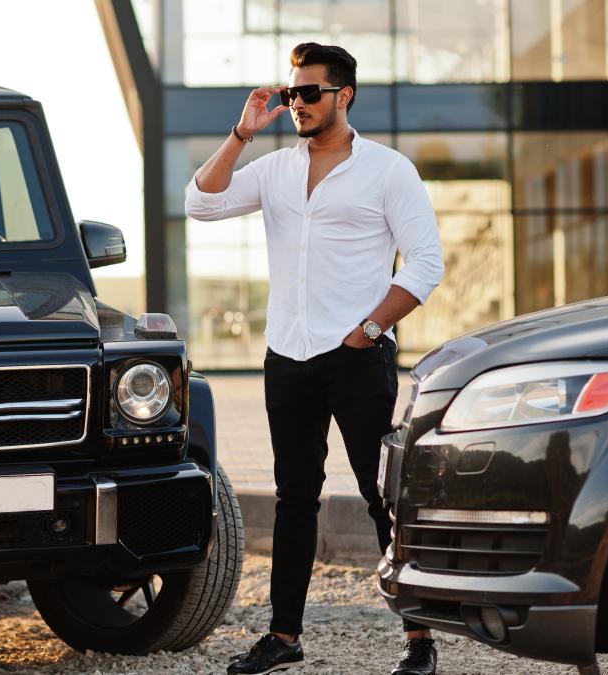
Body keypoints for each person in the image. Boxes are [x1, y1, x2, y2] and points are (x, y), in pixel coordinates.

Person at [184, 42, 445, 675]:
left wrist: (368, 329)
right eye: (291, 92)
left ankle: (419, 641)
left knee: (380, 493)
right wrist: (241, 134)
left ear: (343, 95)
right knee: (294, 498)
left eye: (308, 93)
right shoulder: (274, 168)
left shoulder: (388, 170)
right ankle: (284, 638)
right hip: (288, 356)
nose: (295, 103)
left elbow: (427, 263)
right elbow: (202, 202)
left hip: (356, 358)